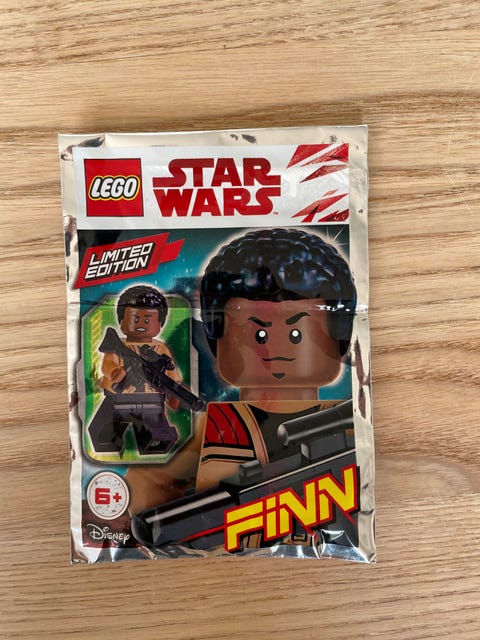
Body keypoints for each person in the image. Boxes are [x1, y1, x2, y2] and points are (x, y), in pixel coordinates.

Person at [126, 228, 356, 518]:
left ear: (339, 339)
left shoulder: (345, 423)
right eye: (259, 334)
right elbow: (148, 482)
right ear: (217, 339)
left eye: (295, 333)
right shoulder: (221, 426)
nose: (275, 348)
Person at [88, 285, 182, 455]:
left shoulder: (160, 349)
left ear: (160, 324)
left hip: (151, 402)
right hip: (117, 399)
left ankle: (154, 442)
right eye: (135, 319)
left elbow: (172, 375)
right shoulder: (118, 346)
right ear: (121, 320)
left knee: (156, 433)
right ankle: (109, 442)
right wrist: (115, 373)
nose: (141, 324)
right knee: (102, 430)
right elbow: (108, 364)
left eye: (147, 320)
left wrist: (175, 394)